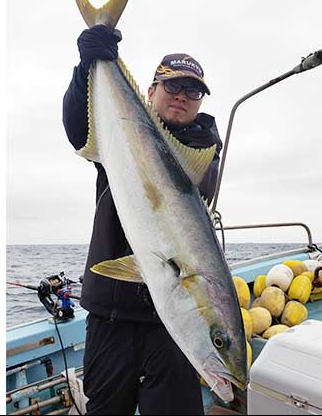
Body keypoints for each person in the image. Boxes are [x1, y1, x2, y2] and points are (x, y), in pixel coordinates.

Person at [62, 24, 223, 415]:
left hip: (170, 323)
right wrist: (88, 68)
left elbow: (191, 152)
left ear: (200, 103)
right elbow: (77, 128)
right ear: (150, 93)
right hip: (110, 313)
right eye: (172, 87)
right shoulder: (118, 139)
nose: (181, 97)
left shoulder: (202, 154)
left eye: (193, 91)